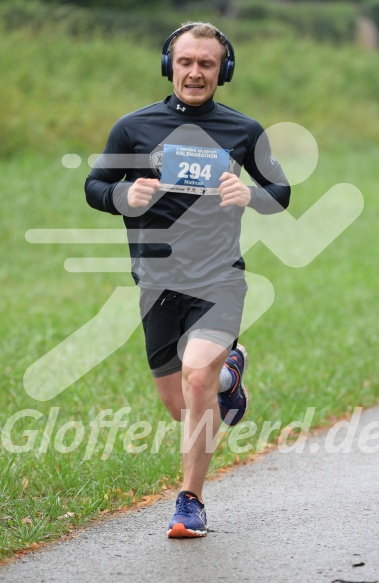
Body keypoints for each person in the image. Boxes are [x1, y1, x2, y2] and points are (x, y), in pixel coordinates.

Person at [85, 21, 290, 538]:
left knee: (196, 378)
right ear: (168, 65)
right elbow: (95, 184)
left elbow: (280, 191)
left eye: (206, 63)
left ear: (224, 70)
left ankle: (189, 503)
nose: (195, 72)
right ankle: (229, 377)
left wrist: (251, 196)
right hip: (156, 282)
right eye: (186, 61)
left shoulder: (244, 131)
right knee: (184, 408)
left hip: (219, 278)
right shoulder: (133, 127)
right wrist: (121, 197)